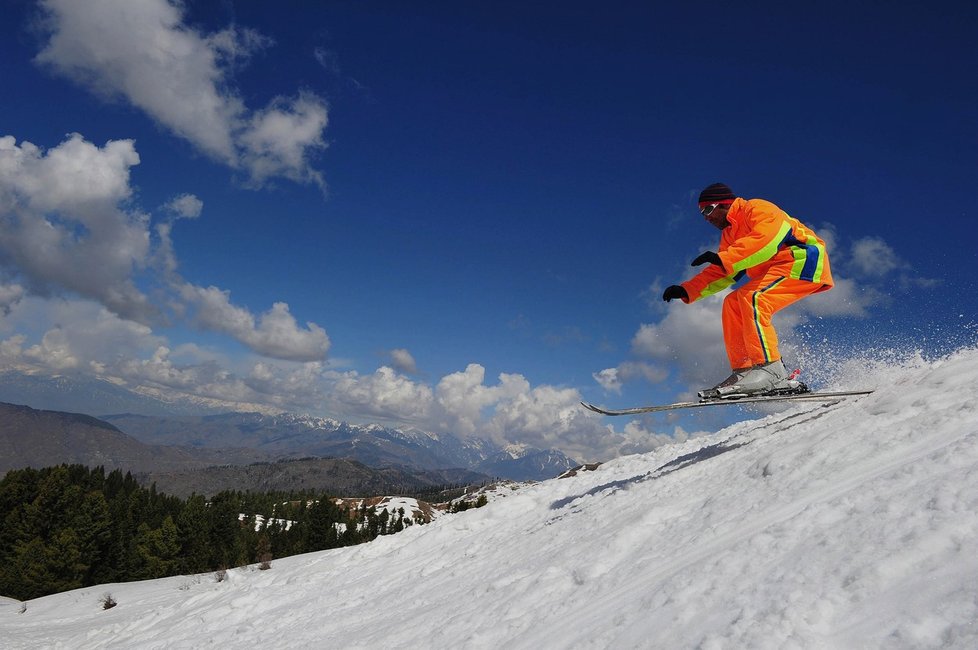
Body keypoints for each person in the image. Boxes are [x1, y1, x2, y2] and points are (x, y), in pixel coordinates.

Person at [662, 183, 833, 398]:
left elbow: (766, 241)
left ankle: (771, 370)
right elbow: (726, 271)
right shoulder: (729, 234)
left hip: (800, 260)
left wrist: (724, 258)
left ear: (724, 204)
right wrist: (687, 290)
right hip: (776, 268)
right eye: (701, 213)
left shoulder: (757, 208)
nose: (705, 217)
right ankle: (746, 370)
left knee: (753, 299)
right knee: (732, 302)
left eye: (707, 210)